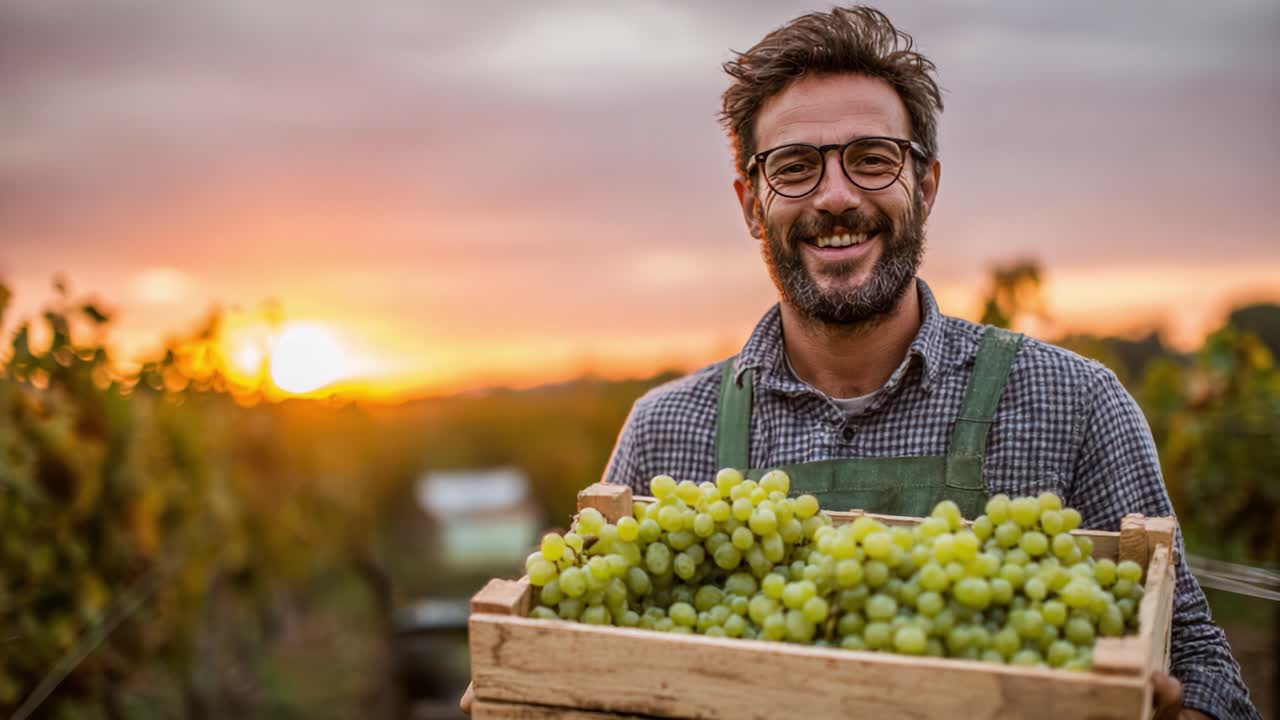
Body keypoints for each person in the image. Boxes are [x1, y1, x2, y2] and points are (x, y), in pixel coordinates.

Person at [601, 6, 1258, 719]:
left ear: (927, 184)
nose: (836, 196)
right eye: (793, 168)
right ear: (751, 206)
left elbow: (1199, 667)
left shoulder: (1076, 406)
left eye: (873, 158)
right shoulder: (662, 433)